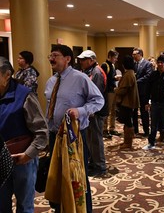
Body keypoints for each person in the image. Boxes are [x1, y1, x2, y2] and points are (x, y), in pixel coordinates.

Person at [44, 45, 104, 213]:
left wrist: (81, 111)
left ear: (67, 58)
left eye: (55, 55)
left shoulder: (80, 78)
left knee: (77, 177)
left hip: (74, 137)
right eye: (50, 55)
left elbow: (99, 101)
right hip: (54, 136)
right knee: (57, 176)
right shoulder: (51, 81)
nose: (51, 59)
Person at [0, 56, 48, 213]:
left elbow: (42, 132)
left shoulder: (24, 95)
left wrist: (28, 155)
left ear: (7, 75)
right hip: (0, 161)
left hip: (21, 160)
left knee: (24, 206)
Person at [77, 50, 108, 177]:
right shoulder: (88, 71)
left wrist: (91, 110)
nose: (81, 62)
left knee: (96, 139)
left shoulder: (97, 72)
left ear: (91, 60)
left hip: (97, 111)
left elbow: (96, 94)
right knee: (90, 138)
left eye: (83, 60)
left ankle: (100, 166)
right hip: (89, 111)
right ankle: (93, 162)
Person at [142, 55, 164, 154]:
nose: (160, 64)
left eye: (162, 62)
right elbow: (147, 89)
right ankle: (151, 143)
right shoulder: (153, 75)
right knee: (153, 125)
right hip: (155, 103)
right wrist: (146, 102)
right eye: (158, 62)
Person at [115, 55, 140, 149]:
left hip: (127, 102)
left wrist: (116, 90)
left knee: (128, 122)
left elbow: (123, 89)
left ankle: (128, 143)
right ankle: (126, 141)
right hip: (128, 101)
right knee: (127, 121)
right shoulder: (130, 73)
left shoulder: (129, 74)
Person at [132, 47, 153, 137]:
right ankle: (135, 130)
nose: (133, 56)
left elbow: (148, 76)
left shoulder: (147, 64)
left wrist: (136, 81)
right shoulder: (134, 64)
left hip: (144, 92)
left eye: (135, 54)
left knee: (144, 112)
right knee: (134, 112)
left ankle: (146, 131)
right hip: (135, 92)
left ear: (140, 54)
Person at [101, 50, 121, 138]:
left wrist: (115, 78)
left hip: (113, 90)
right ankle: (104, 129)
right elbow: (104, 79)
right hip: (108, 91)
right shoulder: (105, 65)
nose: (116, 60)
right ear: (110, 56)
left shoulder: (112, 65)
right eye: (115, 58)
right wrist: (114, 78)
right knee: (107, 111)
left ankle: (112, 128)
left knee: (113, 110)